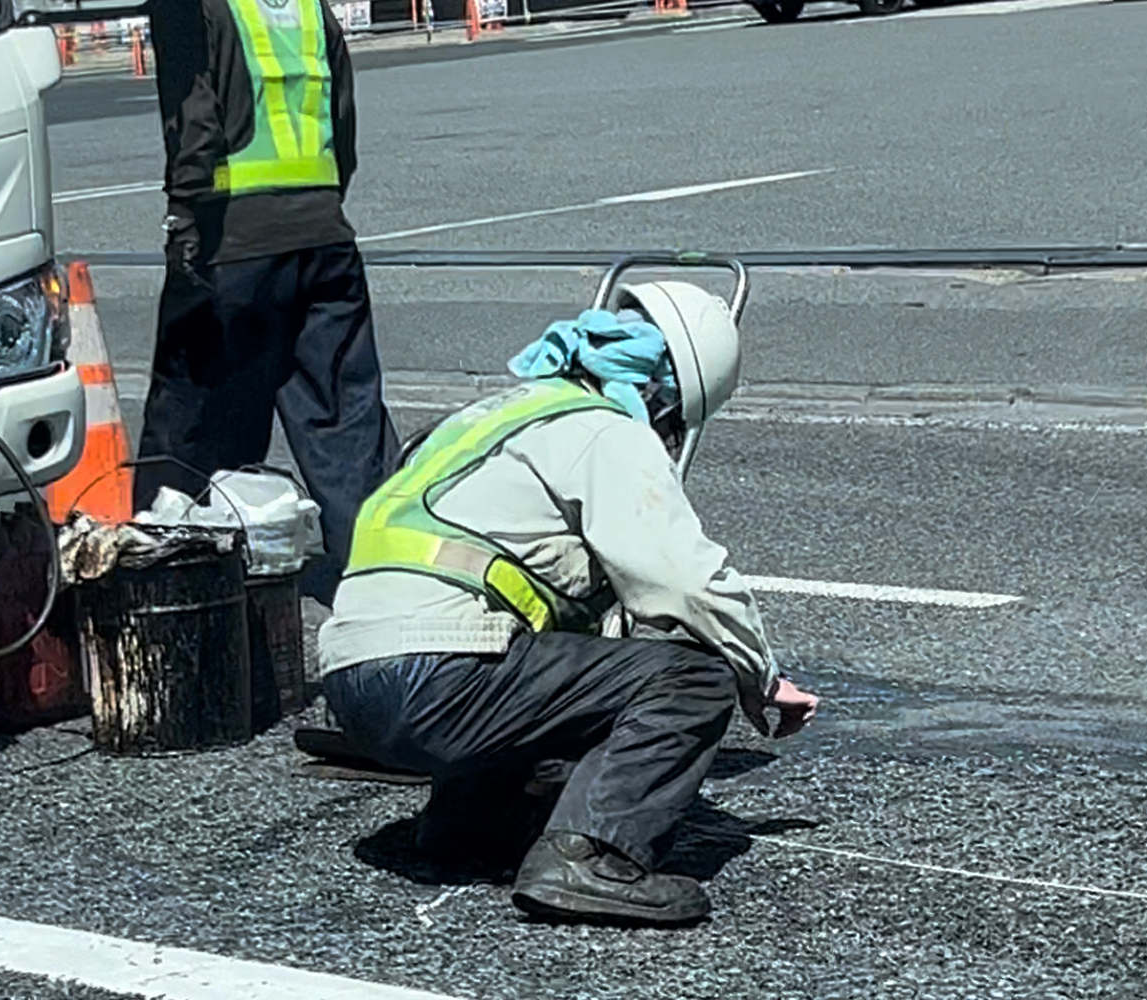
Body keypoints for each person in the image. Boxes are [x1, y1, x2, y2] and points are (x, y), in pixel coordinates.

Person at [317, 280, 821, 927]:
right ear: (664, 395)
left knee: (533, 653)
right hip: (437, 678)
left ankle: (468, 831)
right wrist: (758, 674)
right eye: (674, 423)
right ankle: (591, 856)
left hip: (354, 682)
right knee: (694, 675)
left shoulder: (495, 418)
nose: (667, 438)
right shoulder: (601, 429)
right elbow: (686, 582)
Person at [137, 0, 400, 607]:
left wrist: (184, 217)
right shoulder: (308, 7)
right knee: (345, 425)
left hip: (232, 242)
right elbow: (343, 122)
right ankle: (384, 590)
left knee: (193, 425)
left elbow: (194, 117)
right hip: (324, 235)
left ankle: (174, 586)